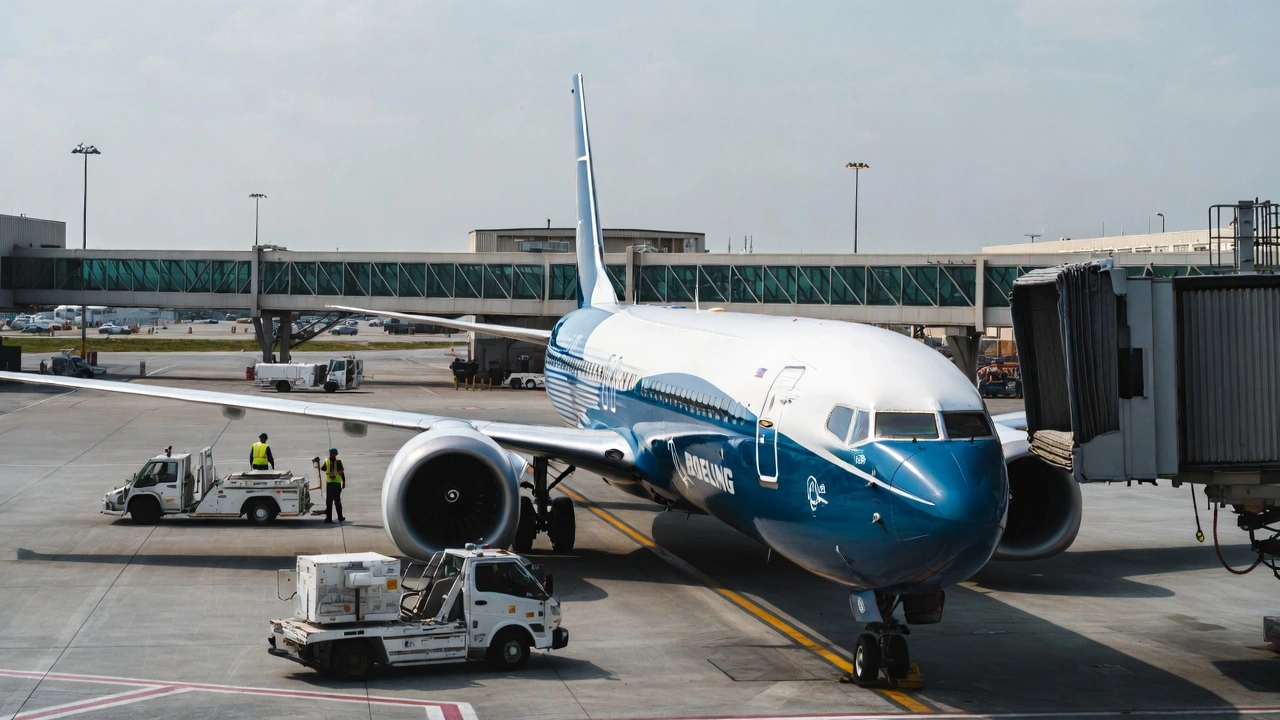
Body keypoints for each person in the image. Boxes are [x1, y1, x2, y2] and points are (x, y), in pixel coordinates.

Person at [321, 447, 346, 524]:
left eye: (331, 453)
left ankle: (340, 517)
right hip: (329, 484)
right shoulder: (327, 461)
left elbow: (341, 473)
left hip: (336, 484)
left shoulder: (338, 462)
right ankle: (329, 518)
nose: (329, 454)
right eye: (329, 452)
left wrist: (344, 482)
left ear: (334, 454)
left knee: (337, 501)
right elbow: (323, 469)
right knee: (329, 502)